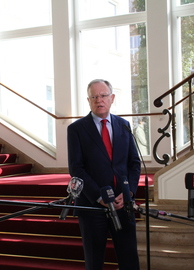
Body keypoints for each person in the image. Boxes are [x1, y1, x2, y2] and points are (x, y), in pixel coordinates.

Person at [67, 79, 141, 270]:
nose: (99, 100)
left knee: (129, 260)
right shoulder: (76, 129)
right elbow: (76, 169)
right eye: (94, 97)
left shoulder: (124, 125)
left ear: (112, 98)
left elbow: (134, 163)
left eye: (103, 96)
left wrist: (129, 193)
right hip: (93, 206)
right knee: (94, 262)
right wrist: (99, 196)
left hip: (122, 203)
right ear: (89, 100)